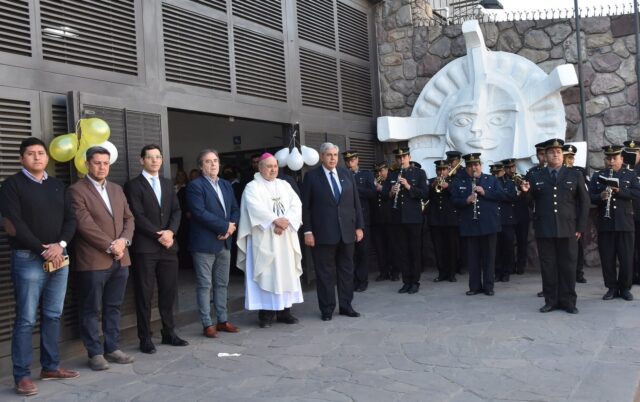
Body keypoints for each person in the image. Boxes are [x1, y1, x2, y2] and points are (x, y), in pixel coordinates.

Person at [0, 137, 78, 396]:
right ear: (22, 158)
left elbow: (71, 219)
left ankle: (50, 366)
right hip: (28, 258)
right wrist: (43, 249)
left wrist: (60, 244)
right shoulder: (11, 186)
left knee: (53, 314)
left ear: (47, 157)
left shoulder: (58, 186)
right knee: (25, 319)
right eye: (31, 154)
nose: (37, 157)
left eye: (41, 153)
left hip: (59, 256)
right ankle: (21, 375)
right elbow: (14, 224)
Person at [68, 146, 135, 370]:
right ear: (87, 164)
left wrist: (123, 241)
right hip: (93, 260)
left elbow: (129, 219)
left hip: (120, 259)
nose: (102, 167)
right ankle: (94, 353)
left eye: (105, 163)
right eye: (97, 162)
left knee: (114, 306)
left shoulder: (116, 189)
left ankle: (112, 347)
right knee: (91, 308)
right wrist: (110, 245)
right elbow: (84, 225)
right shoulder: (76, 190)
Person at [124, 144, 189, 354]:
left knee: (168, 292)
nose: (155, 160)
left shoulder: (168, 184)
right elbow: (137, 215)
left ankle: (169, 332)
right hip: (146, 248)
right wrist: (158, 235)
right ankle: (145, 337)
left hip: (169, 246)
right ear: (141, 160)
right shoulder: (133, 185)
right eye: (150, 157)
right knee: (144, 293)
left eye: (158, 157)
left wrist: (170, 232)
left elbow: (177, 211)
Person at [520, 138, 589, 314]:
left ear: (563, 154)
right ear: (545, 156)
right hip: (545, 228)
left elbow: (584, 202)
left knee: (568, 266)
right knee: (548, 266)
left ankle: (569, 302)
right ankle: (551, 300)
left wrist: (580, 227)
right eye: (551, 152)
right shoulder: (536, 176)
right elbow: (529, 203)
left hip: (569, 229)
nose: (555, 155)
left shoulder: (575, 175)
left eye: (558, 152)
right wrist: (525, 193)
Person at [237, 153, 303, 328]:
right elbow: (255, 208)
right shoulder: (252, 187)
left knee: (285, 272)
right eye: (269, 166)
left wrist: (284, 222)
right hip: (264, 237)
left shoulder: (285, 185)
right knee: (266, 272)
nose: (273, 169)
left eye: (275, 166)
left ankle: (285, 312)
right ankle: (265, 315)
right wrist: (275, 220)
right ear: (260, 168)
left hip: (285, 236)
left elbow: (296, 205)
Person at [302, 142, 364, 321]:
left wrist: (359, 226)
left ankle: (346, 305)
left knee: (346, 271)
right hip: (323, 234)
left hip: (347, 232)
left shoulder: (346, 174)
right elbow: (305, 207)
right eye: (329, 155)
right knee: (325, 274)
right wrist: (308, 231)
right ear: (322, 157)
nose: (332, 158)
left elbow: (355, 203)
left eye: (335, 155)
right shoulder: (312, 177)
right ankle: (327, 308)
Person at [187, 149, 241, 337]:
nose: (213, 164)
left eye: (216, 161)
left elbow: (235, 208)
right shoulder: (195, 186)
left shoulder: (226, 185)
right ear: (201, 166)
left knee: (222, 284)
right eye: (208, 161)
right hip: (204, 244)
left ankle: (223, 320)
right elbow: (199, 212)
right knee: (204, 285)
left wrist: (231, 227)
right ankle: (207, 323)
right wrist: (224, 227)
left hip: (224, 242)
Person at [451, 153, 511, 296]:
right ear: (466, 167)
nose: (474, 168)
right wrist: (466, 200)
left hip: (489, 224)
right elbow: (454, 201)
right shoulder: (459, 181)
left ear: (480, 165)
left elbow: (503, 195)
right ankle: (474, 286)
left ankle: (489, 286)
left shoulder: (490, 179)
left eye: (476, 165)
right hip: (470, 224)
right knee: (473, 258)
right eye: (470, 166)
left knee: (489, 257)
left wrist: (486, 192)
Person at [589, 145, 640, 301]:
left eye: (614, 158)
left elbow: (637, 193)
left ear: (621, 159)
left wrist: (620, 191)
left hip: (625, 222)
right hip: (606, 222)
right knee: (607, 257)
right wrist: (600, 196)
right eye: (608, 158)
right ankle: (611, 287)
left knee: (626, 258)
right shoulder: (598, 176)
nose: (611, 161)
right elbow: (590, 196)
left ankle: (625, 288)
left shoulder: (630, 175)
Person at [383, 148, 429, 294]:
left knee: (414, 250)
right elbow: (384, 194)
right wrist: (391, 191)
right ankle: (406, 281)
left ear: (409, 157)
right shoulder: (392, 174)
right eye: (399, 157)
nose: (401, 160)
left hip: (414, 219)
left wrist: (409, 186)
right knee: (402, 251)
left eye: (404, 157)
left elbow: (425, 194)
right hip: (398, 219)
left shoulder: (419, 173)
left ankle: (415, 281)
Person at [343, 150, 376, 292]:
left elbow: (372, 193)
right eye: (347, 160)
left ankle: (362, 280)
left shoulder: (366, 174)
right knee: (351, 252)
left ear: (357, 160)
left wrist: (356, 189)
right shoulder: (343, 174)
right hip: (348, 219)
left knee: (362, 251)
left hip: (362, 217)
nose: (350, 163)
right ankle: (353, 280)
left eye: (352, 160)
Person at [427, 160, 459, 282]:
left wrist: (448, 187)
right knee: (438, 248)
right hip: (435, 219)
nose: (441, 172)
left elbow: (459, 195)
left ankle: (451, 273)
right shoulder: (431, 181)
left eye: (444, 169)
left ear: (448, 170)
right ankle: (442, 272)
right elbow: (424, 196)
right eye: (439, 170)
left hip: (450, 219)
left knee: (451, 247)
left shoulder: (454, 182)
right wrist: (431, 186)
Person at [563, 144, 588, 283]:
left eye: (572, 158)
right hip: (563, 214)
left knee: (577, 247)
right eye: (568, 157)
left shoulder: (579, 172)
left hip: (576, 214)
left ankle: (578, 272)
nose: (571, 161)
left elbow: (585, 195)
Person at [371, 162, 397, 281]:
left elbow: (391, 196)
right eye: (377, 171)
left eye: (381, 171)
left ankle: (395, 272)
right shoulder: (374, 181)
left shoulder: (393, 179)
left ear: (386, 170)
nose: (379, 173)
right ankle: (383, 272)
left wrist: (382, 189)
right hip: (377, 219)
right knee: (380, 247)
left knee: (392, 246)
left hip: (390, 219)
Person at [495, 158, 519, 283]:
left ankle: (506, 272)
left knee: (508, 247)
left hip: (508, 219)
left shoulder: (511, 183)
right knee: (497, 248)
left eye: (512, 167)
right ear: (503, 169)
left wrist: (500, 194)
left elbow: (513, 197)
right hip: (496, 218)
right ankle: (497, 272)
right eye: (507, 167)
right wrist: (503, 194)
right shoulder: (496, 181)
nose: (509, 169)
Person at [623, 140, 640, 285]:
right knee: (629, 248)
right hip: (627, 214)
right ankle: (630, 276)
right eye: (629, 152)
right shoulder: (623, 169)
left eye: (635, 153)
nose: (632, 155)